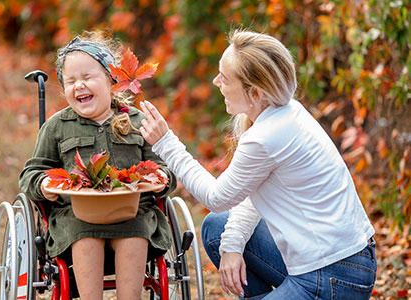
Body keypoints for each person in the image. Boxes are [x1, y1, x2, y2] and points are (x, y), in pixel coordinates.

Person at [139, 29, 377, 300]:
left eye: (225, 78)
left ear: (254, 93)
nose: (216, 82)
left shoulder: (267, 136)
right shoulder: (284, 112)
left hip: (334, 275)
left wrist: (166, 143)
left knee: (217, 216)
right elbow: (249, 193)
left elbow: (216, 197)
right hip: (338, 261)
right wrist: (232, 245)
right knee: (218, 229)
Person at [19, 30, 176, 300]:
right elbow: (31, 173)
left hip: (132, 213)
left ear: (110, 79)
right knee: (85, 236)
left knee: (134, 234)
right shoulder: (57, 126)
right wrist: (44, 184)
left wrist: (160, 177)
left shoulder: (137, 122)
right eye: (70, 81)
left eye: (87, 78)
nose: (79, 85)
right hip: (76, 217)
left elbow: (165, 167)